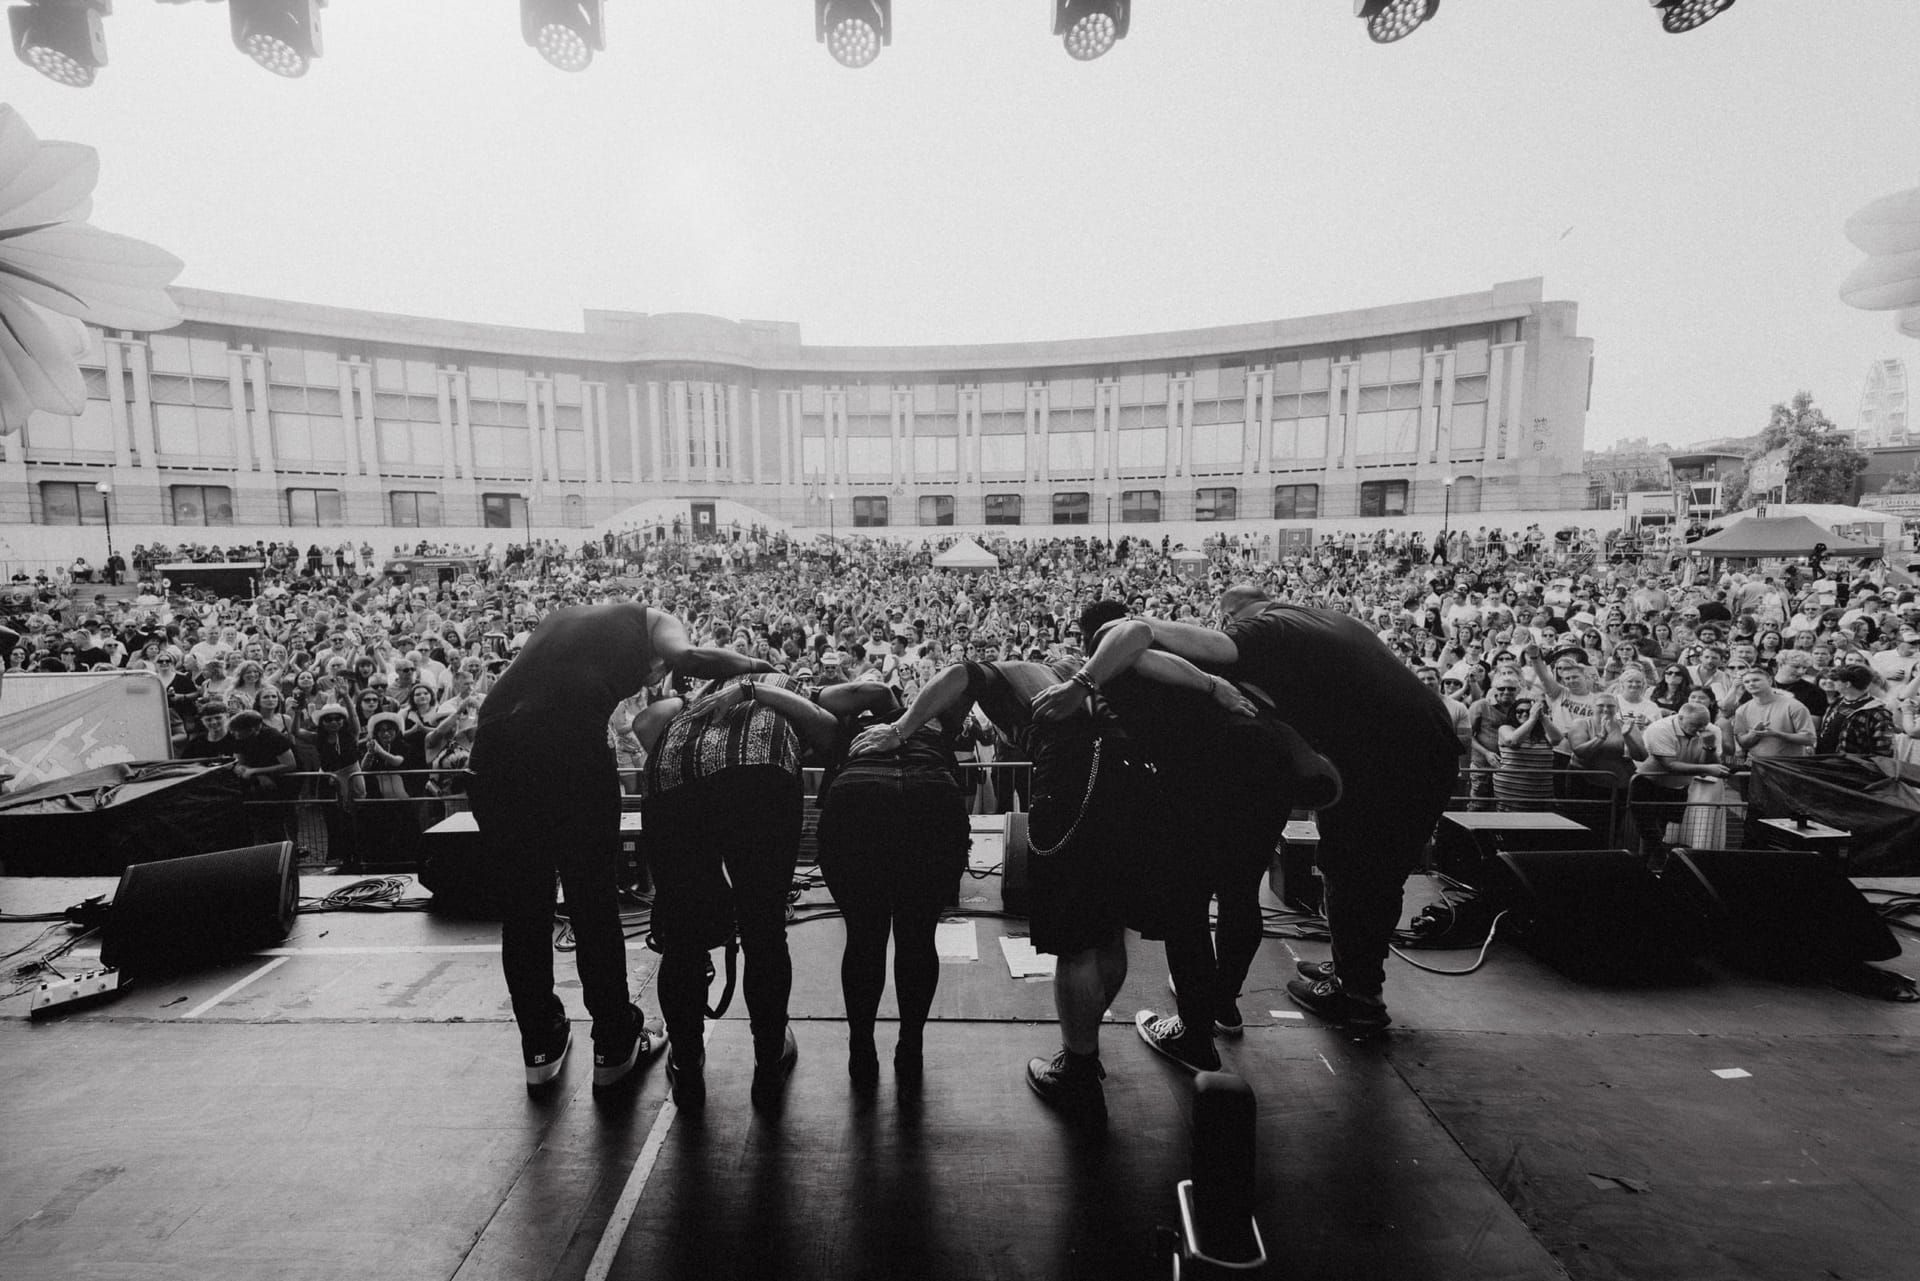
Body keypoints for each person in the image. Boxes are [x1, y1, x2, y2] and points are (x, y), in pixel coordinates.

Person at [1081, 584, 1459, 1034]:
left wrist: (1129, 629)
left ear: (1239, 611)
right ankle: (1346, 976)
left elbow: (1149, 636)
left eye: (1227, 618)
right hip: (1424, 749)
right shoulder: (1324, 621)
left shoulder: (1266, 627)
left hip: (1386, 762)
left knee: (1352, 873)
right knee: (1355, 875)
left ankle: (1357, 996)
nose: (1225, 629)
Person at [470, 602, 770, 1093]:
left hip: (494, 753)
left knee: (525, 908)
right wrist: (758, 669)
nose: (659, 673)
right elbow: (690, 655)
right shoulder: (651, 619)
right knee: (592, 903)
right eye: (660, 665)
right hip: (566, 753)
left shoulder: (564, 622)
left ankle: (540, 1045)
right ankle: (614, 1042)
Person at [1035, 600, 1340, 1075]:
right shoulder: (1184, 659)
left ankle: (1195, 1037)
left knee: (1187, 910)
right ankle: (1224, 1005)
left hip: (1213, 776)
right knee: (1241, 892)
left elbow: (1132, 633)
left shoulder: (1109, 649)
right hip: (1263, 770)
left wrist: (1081, 680)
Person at [634, 670, 837, 1110]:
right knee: (763, 930)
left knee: (682, 939)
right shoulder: (787, 684)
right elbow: (830, 729)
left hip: (672, 776)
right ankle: (768, 1061)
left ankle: (687, 1064)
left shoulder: (695, 696)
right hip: (759, 776)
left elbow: (645, 725)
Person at [810, 677, 971, 1092]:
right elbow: (962, 680)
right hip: (931, 792)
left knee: (864, 937)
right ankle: (910, 1045)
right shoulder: (935, 724)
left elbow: (861, 690)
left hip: (860, 793)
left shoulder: (848, 727)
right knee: (918, 937)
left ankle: (861, 1048)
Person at [1629, 703, 1727, 864]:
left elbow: (1706, 767)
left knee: (1661, 831)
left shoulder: (1711, 730)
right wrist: (1708, 768)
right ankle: (1658, 862)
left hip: (1677, 787)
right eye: (1695, 725)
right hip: (1648, 784)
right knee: (1648, 831)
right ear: (1680, 718)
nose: (1700, 729)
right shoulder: (1660, 728)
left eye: (1704, 724)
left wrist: (1709, 747)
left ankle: (1651, 868)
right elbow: (1670, 765)